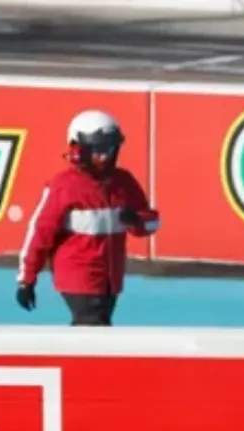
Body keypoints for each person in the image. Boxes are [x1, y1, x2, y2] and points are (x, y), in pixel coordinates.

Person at [16, 110, 159, 327]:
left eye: (110, 149)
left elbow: (152, 223)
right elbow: (39, 234)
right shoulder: (64, 186)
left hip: (110, 279)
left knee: (98, 324)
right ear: (78, 150)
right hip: (78, 277)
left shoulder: (123, 182)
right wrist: (27, 280)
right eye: (98, 150)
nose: (105, 156)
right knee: (92, 323)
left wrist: (136, 220)